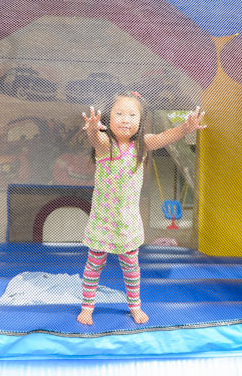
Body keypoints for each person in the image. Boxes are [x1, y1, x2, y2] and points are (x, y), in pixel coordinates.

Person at [77, 91, 206, 325]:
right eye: (119, 114)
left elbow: (166, 137)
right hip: (103, 221)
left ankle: (135, 306)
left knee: (132, 269)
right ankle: (87, 307)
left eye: (132, 115)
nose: (126, 119)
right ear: (108, 117)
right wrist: (93, 129)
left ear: (140, 120)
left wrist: (185, 128)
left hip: (127, 223)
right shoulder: (107, 146)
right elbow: (96, 140)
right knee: (94, 266)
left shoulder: (142, 145)